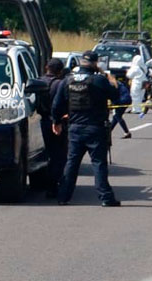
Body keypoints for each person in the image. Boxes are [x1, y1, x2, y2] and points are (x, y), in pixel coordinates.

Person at [52, 51, 122, 207]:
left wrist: (56, 121)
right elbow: (117, 96)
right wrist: (111, 79)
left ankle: (63, 197)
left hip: (75, 128)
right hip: (95, 129)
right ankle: (106, 198)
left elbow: (57, 105)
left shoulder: (67, 81)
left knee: (71, 163)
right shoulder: (99, 80)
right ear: (96, 64)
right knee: (98, 164)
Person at [38, 58, 68, 198]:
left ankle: (45, 182)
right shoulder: (60, 84)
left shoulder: (37, 82)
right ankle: (53, 186)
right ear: (60, 71)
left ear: (46, 67)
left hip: (39, 121)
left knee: (46, 154)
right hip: (57, 122)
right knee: (58, 156)